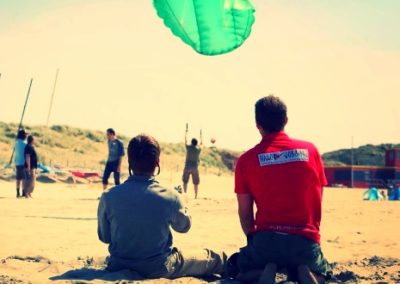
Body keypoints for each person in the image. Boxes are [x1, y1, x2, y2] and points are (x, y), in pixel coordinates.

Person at [231, 96, 331, 283]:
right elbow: (317, 201)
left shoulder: (247, 160)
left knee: (241, 271)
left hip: (267, 241)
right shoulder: (311, 151)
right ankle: (303, 273)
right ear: (285, 120)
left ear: (257, 124)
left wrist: (254, 240)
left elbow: (245, 214)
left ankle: (267, 273)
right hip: (304, 239)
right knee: (323, 271)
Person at [97, 134, 226, 279]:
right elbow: (184, 227)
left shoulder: (108, 196)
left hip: (118, 265)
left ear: (129, 161)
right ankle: (232, 265)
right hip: (158, 268)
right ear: (157, 162)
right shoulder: (170, 196)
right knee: (210, 258)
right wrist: (182, 201)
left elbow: (105, 237)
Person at [182, 129, 203, 199]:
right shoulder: (198, 150)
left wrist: (186, 132)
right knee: (196, 183)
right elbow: (202, 144)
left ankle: (185, 194)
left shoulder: (188, 147)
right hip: (195, 168)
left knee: (185, 182)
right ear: (196, 143)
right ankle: (196, 196)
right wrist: (201, 136)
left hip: (187, 167)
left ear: (191, 142)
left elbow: (185, 140)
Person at [14, 129, 27, 198]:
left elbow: (16, 154)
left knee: (18, 179)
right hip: (23, 163)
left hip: (17, 163)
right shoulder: (25, 144)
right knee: (23, 178)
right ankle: (23, 192)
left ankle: (17, 192)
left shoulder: (16, 143)